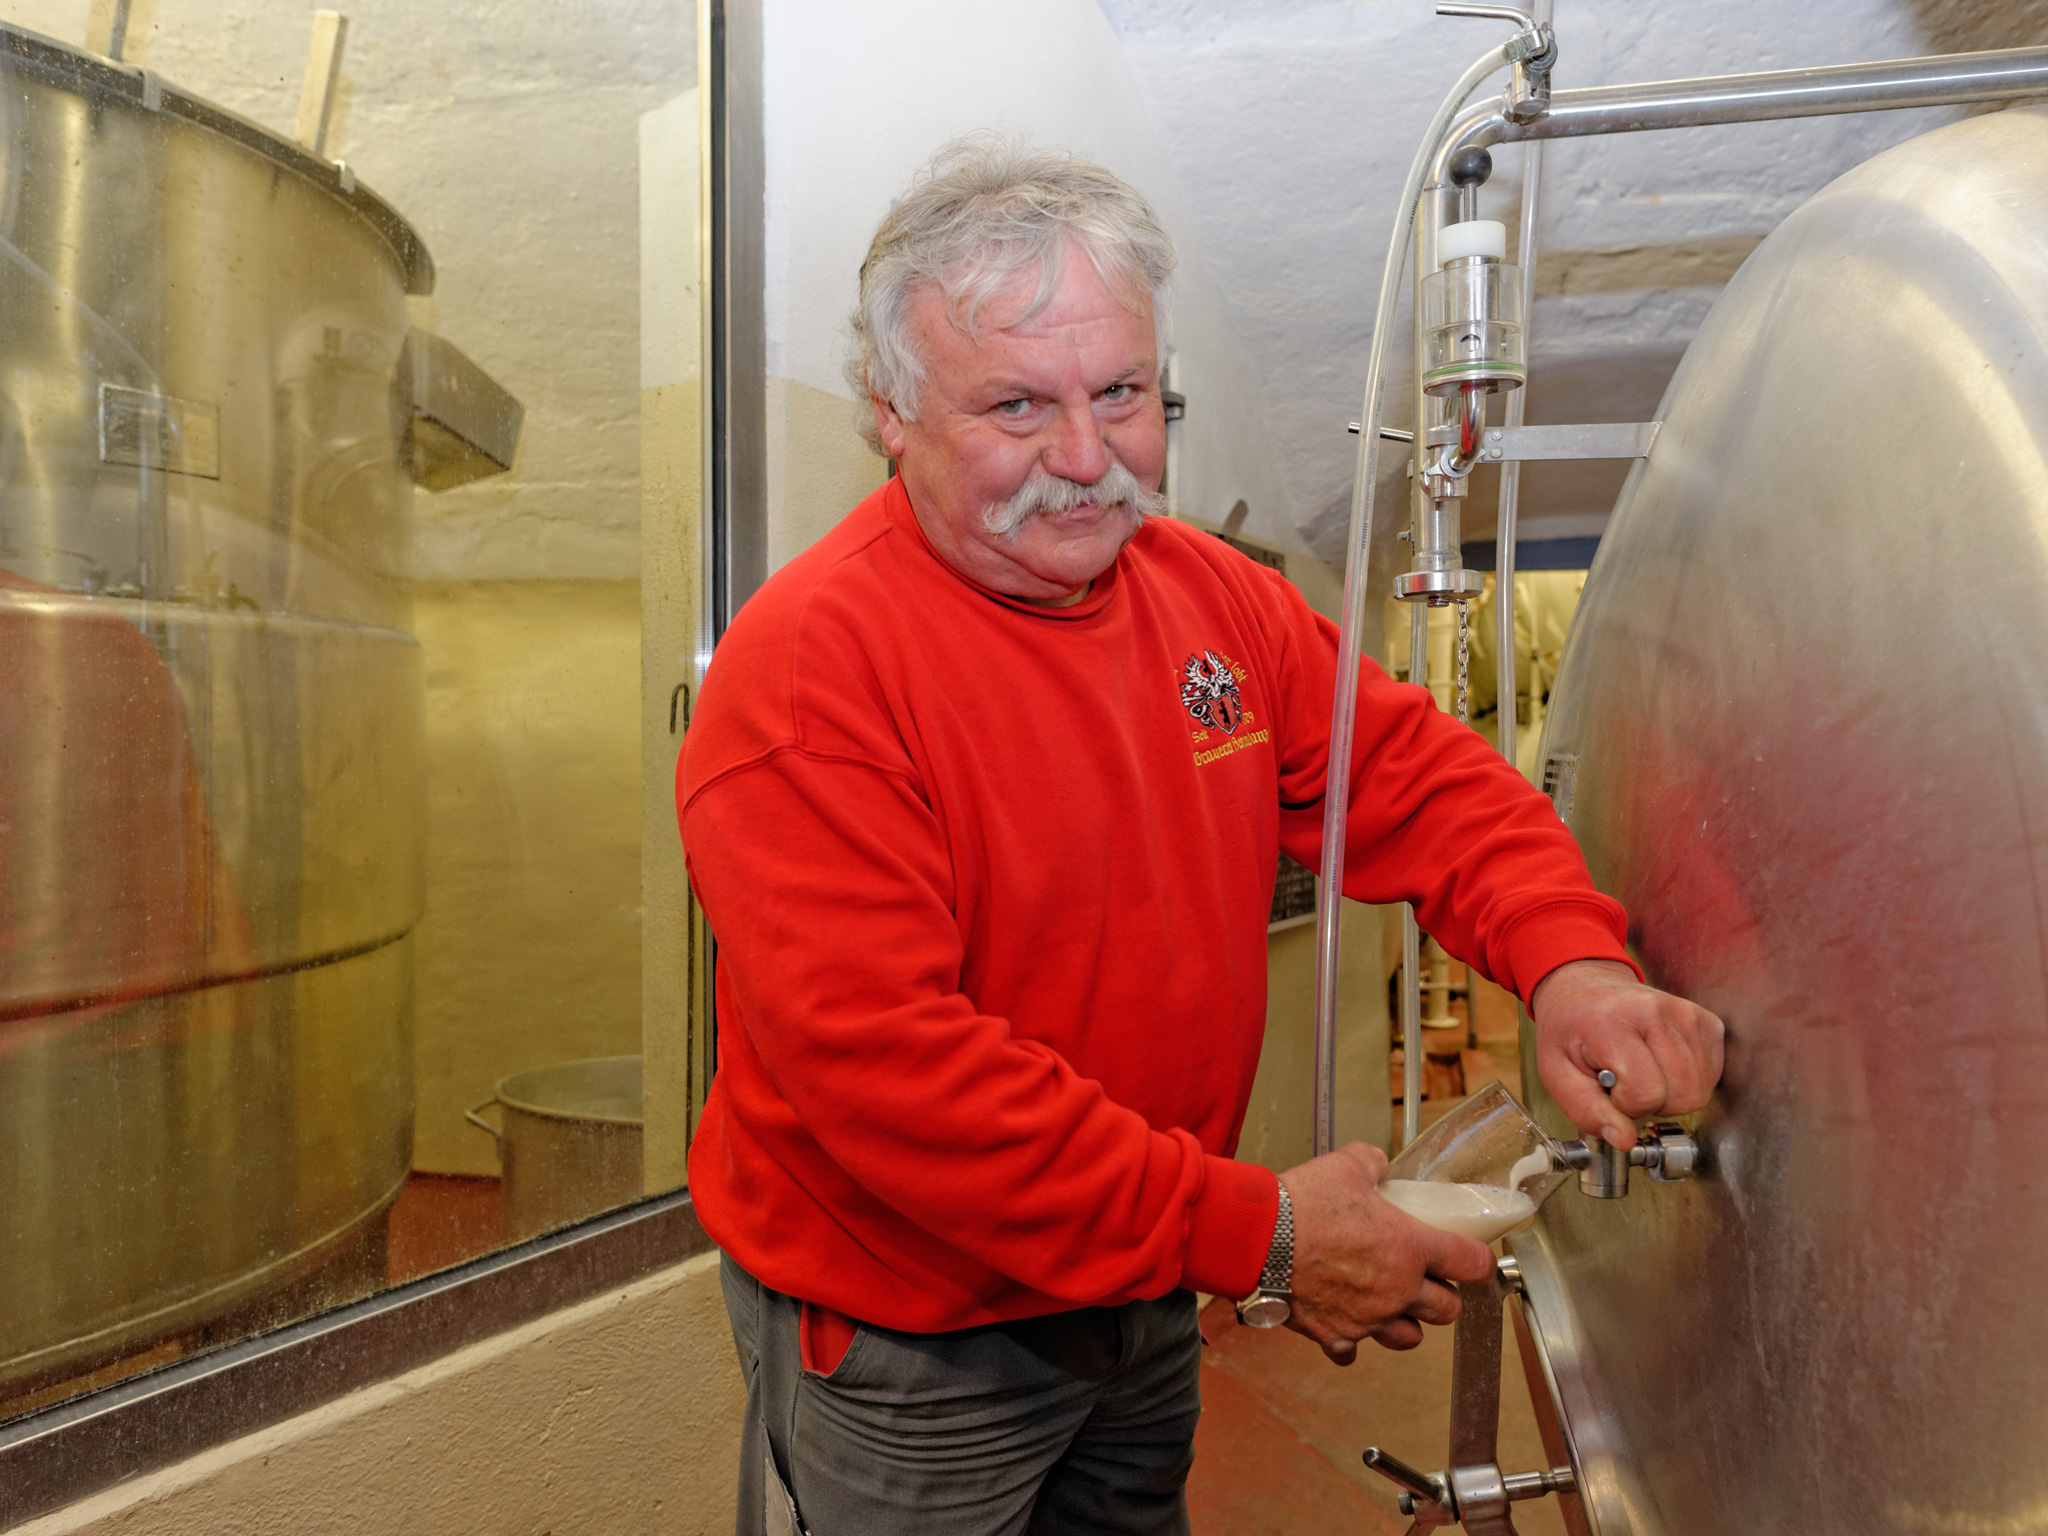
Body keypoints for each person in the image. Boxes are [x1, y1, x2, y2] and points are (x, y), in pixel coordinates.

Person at [677, 139, 1724, 1536]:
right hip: (920, 1341)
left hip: (1144, 1277)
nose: (1085, 459)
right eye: (1015, 405)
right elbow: (896, 1081)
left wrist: (1569, 961)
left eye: (1121, 393)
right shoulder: (810, 679)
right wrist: (1260, 1235)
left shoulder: (1211, 598)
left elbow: (1416, 779)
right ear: (891, 412)